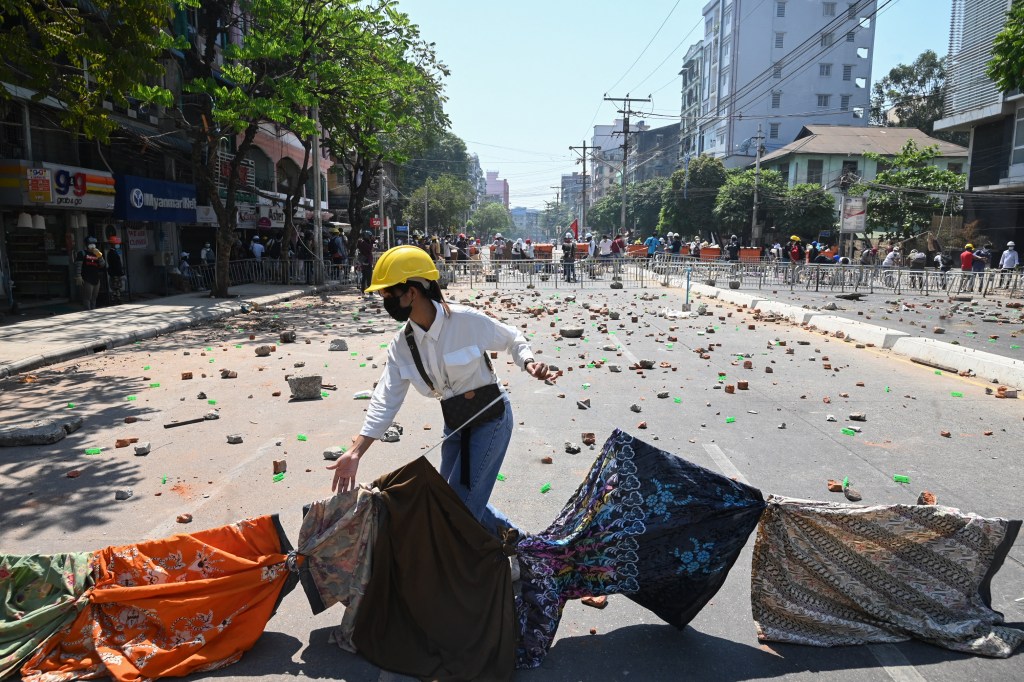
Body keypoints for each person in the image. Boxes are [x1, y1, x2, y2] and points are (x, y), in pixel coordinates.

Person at [327, 245, 552, 537]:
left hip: (491, 419)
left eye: (388, 295)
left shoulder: (465, 321)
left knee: (457, 509)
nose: (385, 303)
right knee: (450, 499)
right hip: (456, 423)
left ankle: (499, 561)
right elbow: (385, 400)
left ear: (412, 292)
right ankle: (521, 543)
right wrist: (356, 452)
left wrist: (529, 362)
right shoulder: (402, 346)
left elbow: (512, 338)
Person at [75, 236, 106, 310]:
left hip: (96, 279)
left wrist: (100, 256)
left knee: (94, 298)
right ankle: (88, 312)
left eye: (94, 243)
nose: (92, 245)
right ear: (86, 244)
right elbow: (78, 266)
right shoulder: (82, 253)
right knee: (87, 298)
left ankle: (93, 312)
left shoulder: (97, 253)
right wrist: (78, 276)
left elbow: (103, 265)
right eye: (90, 243)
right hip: (86, 279)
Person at [106, 236, 126, 304]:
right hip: (115, 274)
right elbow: (116, 265)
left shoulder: (112, 252)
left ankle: (116, 300)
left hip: (114, 273)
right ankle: (116, 300)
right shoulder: (112, 253)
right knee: (116, 287)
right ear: (113, 244)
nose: (118, 245)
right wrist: (121, 273)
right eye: (116, 243)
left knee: (116, 288)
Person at [356, 230, 374, 295]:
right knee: (368, 278)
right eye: (370, 236)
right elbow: (369, 249)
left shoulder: (361, 242)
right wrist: (372, 242)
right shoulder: (364, 243)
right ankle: (370, 292)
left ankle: (363, 291)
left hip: (364, 261)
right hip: (367, 262)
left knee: (364, 277)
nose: (370, 238)